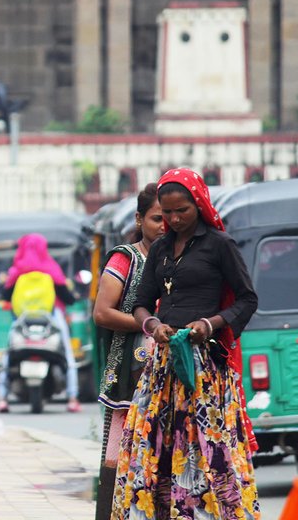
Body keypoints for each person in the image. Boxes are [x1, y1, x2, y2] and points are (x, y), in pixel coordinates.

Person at [113, 169, 260, 519]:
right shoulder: (162, 247)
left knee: (208, 446)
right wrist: (153, 325)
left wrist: (209, 324)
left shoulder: (219, 245)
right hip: (163, 366)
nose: (175, 219)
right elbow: (140, 303)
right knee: (155, 447)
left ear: (199, 204)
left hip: (205, 369)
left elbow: (247, 299)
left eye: (183, 211)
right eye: (167, 213)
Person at [92, 184, 165, 520]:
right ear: (140, 219)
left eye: (173, 217)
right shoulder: (127, 257)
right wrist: (150, 326)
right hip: (129, 373)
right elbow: (102, 312)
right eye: (156, 218)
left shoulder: (180, 257)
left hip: (170, 371)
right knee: (122, 455)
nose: (165, 225)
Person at [0, 233, 81, 413]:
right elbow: (67, 297)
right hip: (52, 317)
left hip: (22, 320)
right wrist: (72, 296)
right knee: (67, 354)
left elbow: (5, 296)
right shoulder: (51, 268)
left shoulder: (16, 271)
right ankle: (72, 398)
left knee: (8, 355)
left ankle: (2, 398)